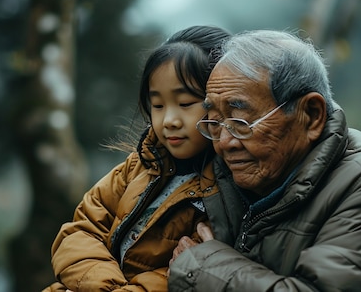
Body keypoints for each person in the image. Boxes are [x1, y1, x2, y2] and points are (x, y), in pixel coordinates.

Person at [168, 29, 361, 291]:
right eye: (215, 121)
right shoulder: (224, 174)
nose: (225, 143)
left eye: (241, 121)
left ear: (311, 115)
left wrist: (202, 267)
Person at [42, 25, 232, 292]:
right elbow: (80, 231)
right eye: (158, 105)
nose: (169, 120)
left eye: (186, 103)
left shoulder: (226, 194)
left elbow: (180, 277)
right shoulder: (138, 166)